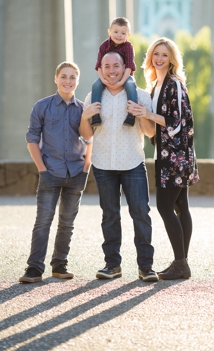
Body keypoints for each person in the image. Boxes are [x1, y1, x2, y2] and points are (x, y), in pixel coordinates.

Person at [80, 51, 159, 282]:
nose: (112, 70)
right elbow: (86, 135)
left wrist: (141, 114)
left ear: (125, 67)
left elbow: (150, 132)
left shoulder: (141, 95)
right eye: (107, 66)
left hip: (132, 163)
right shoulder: (92, 96)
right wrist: (85, 116)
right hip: (103, 164)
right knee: (110, 215)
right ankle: (112, 265)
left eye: (116, 65)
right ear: (101, 69)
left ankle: (146, 267)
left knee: (141, 214)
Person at [127, 38, 199, 281]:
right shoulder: (156, 86)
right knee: (180, 207)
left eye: (164, 55)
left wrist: (147, 113)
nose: (159, 58)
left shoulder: (175, 85)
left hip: (176, 157)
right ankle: (182, 263)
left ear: (171, 60)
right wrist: (141, 114)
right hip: (165, 154)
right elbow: (153, 128)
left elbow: (177, 124)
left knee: (165, 207)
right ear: (150, 57)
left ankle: (181, 264)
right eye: (156, 53)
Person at [19, 62, 93, 283]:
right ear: (56, 79)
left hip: (76, 173)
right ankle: (34, 268)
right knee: (43, 220)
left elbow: (91, 140)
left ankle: (60, 265)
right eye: (64, 76)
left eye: (72, 77)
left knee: (67, 222)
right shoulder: (42, 107)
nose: (68, 81)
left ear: (77, 81)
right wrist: (42, 169)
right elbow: (32, 139)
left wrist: (85, 169)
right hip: (50, 172)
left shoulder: (83, 109)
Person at [89, 17, 137, 128]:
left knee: (131, 84)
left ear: (128, 35)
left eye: (123, 33)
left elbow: (129, 66)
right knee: (96, 85)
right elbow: (99, 66)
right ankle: (96, 114)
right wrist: (103, 80)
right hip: (107, 76)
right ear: (109, 32)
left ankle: (131, 114)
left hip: (125, 75)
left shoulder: (128, 47)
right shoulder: (103, 46)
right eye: (115, 32)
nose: (119, 35)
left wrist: (121, 82)